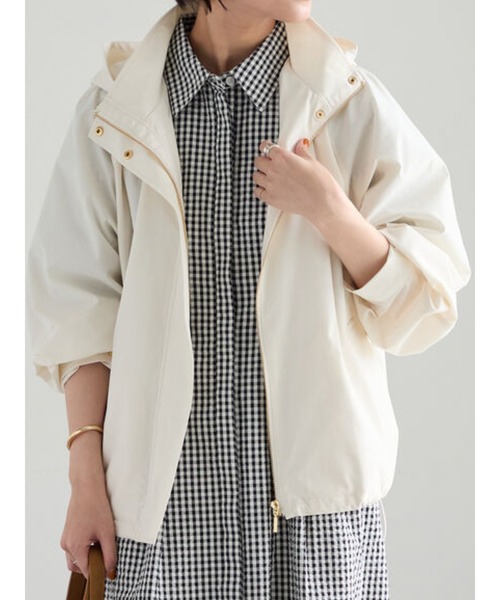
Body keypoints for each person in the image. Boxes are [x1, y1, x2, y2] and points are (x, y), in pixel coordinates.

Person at [26, 0, 471, 598]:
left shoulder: (348, 104)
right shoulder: (118, 112)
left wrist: (332, 212)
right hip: (163, 525)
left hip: (314, 528)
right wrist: (85, 482)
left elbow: (427, 301)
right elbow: (78, 313)